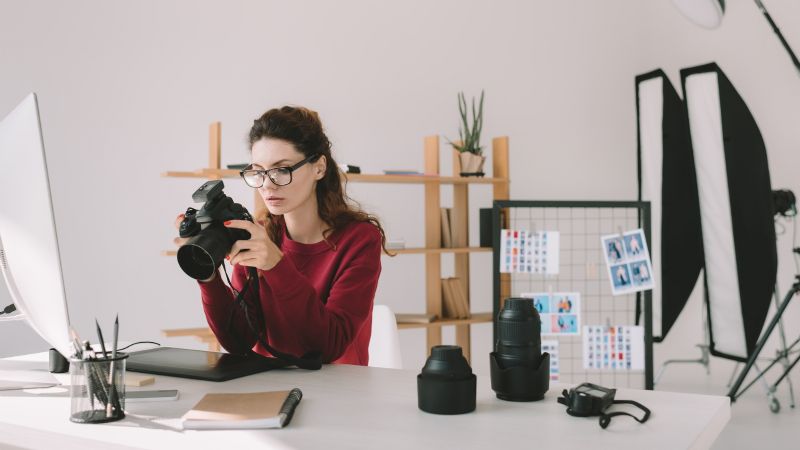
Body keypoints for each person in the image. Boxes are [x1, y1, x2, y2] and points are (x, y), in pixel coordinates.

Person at [174, 106, 388, 366]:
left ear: (319, 168)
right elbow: (238, 341)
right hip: (268, 390)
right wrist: (208, 276)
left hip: (338, 393)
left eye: (281, 169)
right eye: (258, 172)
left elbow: (329, 346)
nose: (267, 184)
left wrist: (277, 265)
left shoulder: (360, 239)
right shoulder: (259, 233)